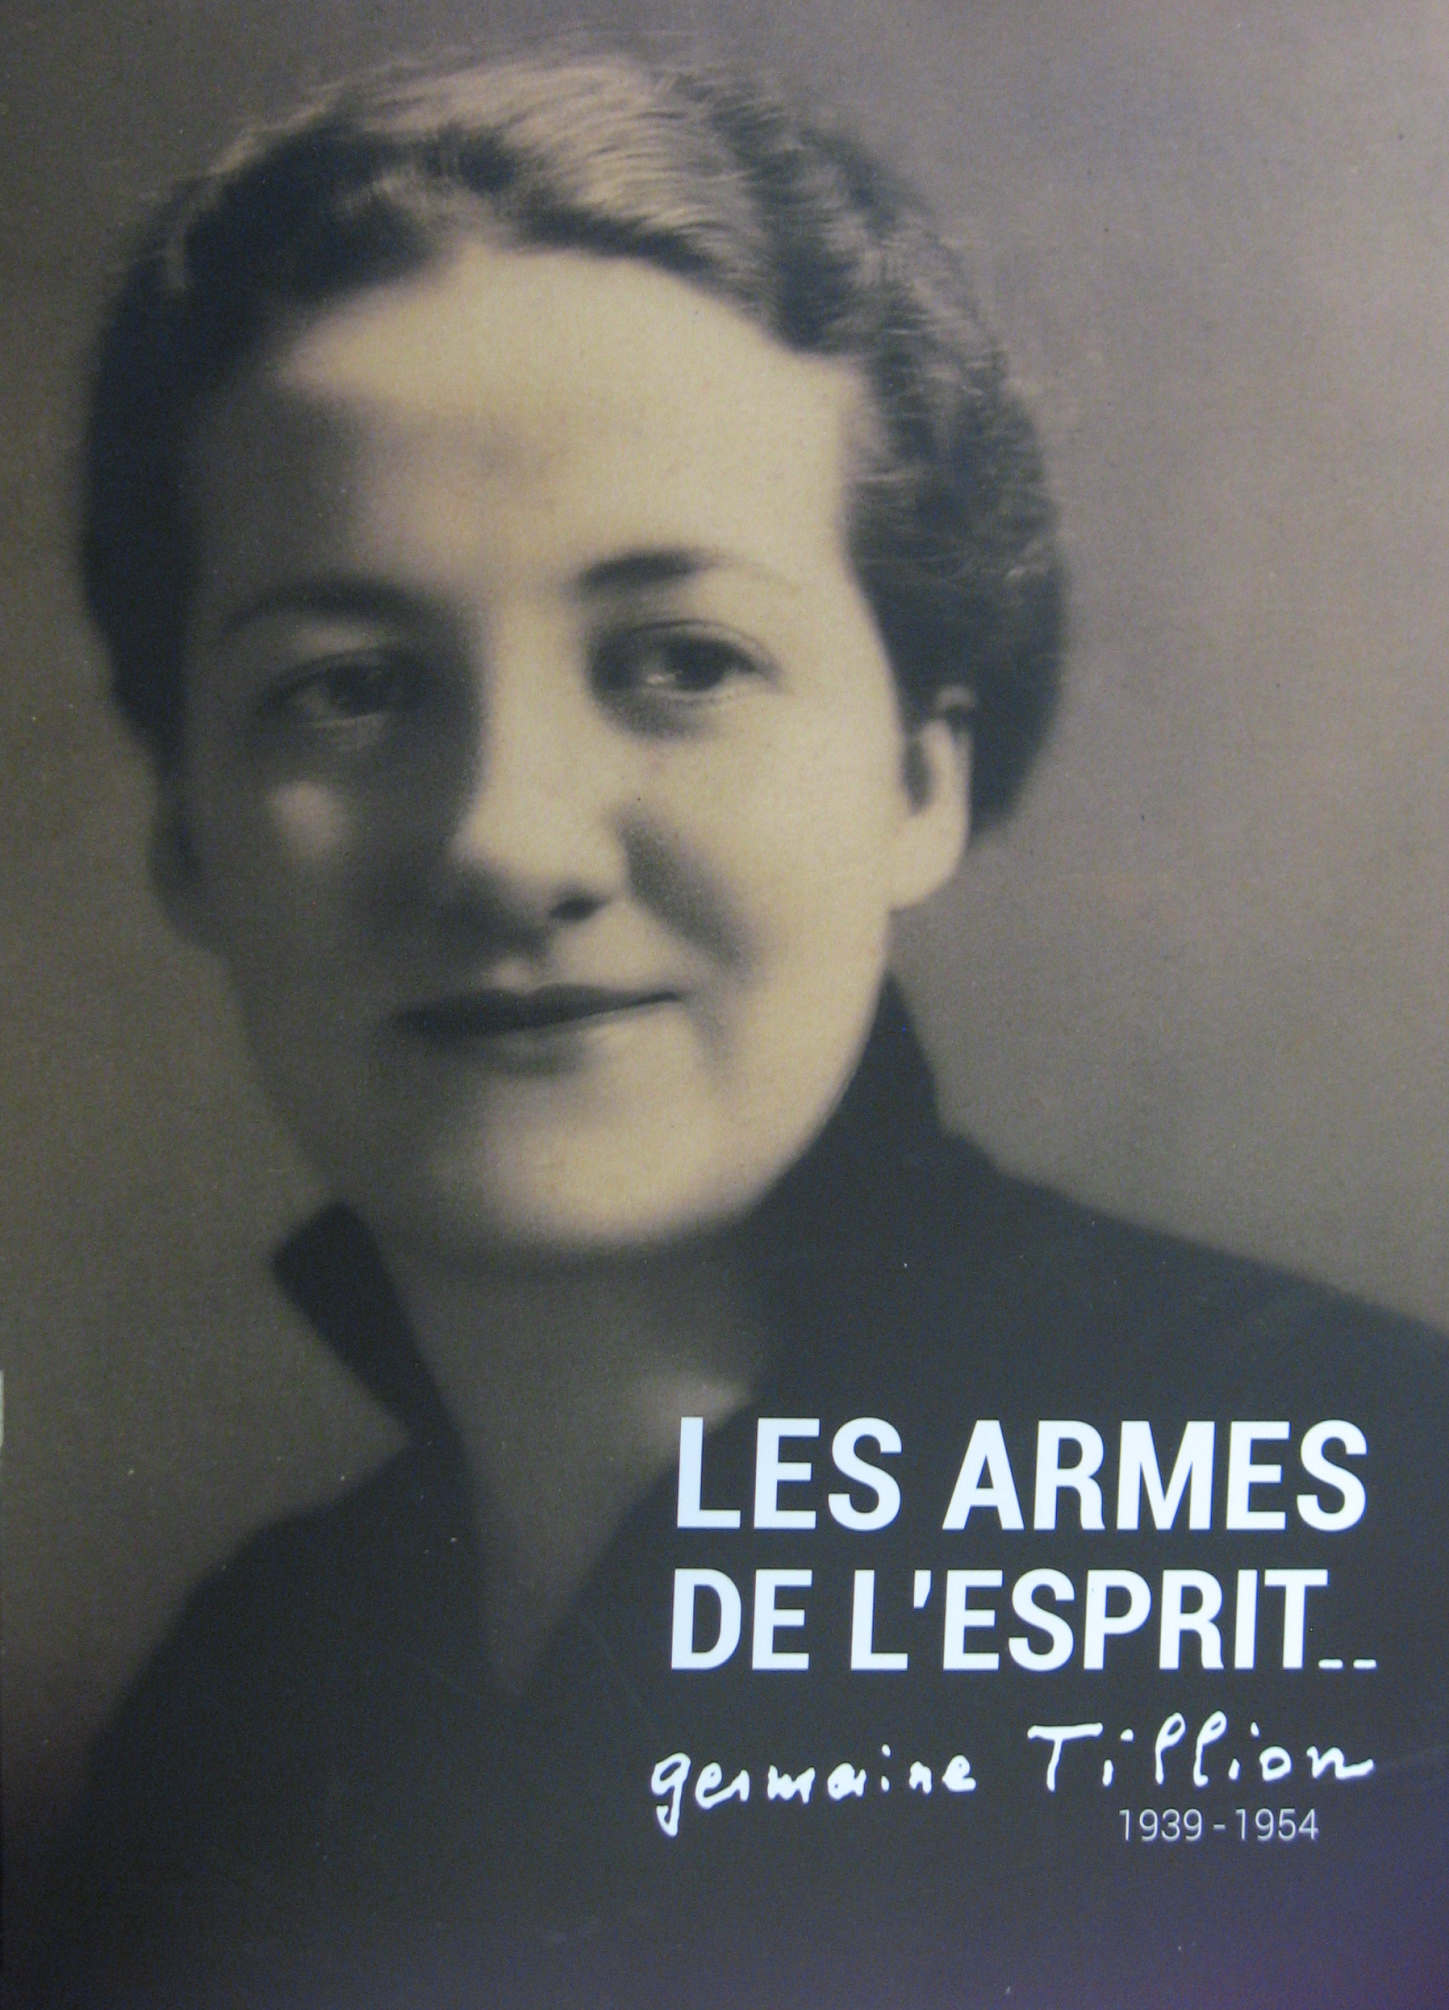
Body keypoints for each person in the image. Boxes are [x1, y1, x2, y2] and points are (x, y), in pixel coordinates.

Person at [33, 45, 1449, 2010]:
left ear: (916, 782)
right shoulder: (237, 1710)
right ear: (191, 834)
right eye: (346, 688)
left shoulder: (1373, 1514)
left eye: (680, 658)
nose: (507, 843)